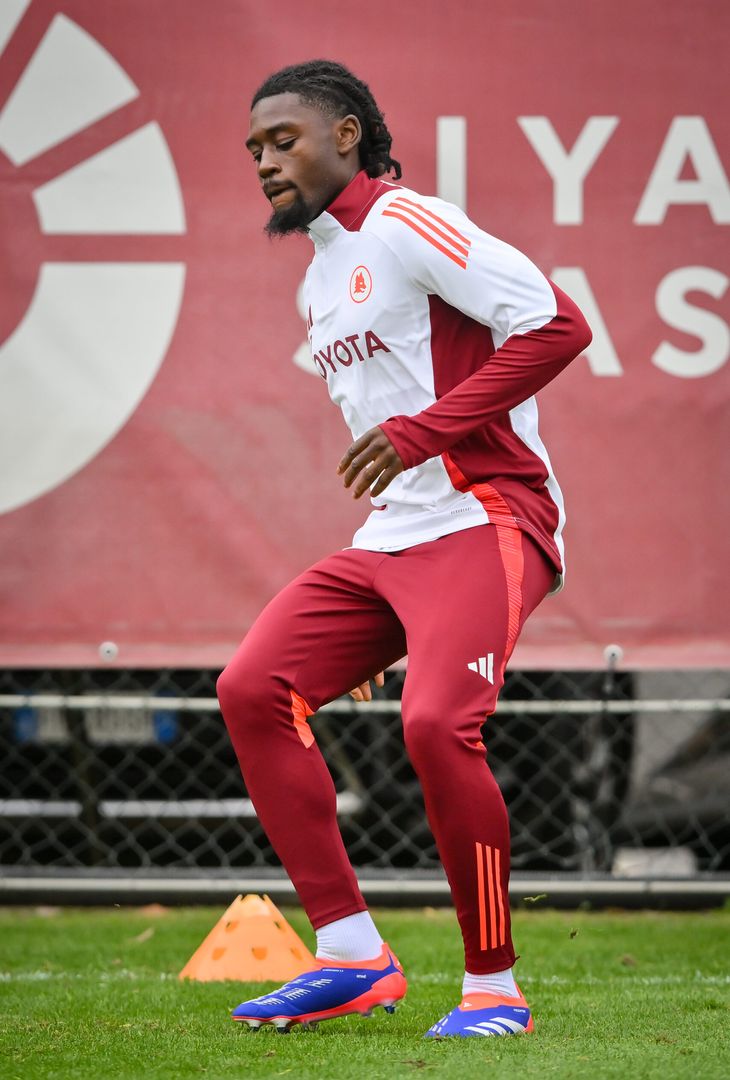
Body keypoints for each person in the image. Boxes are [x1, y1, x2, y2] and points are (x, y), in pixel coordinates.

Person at [217, 59, 591, 1038]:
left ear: (347, 134)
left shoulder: (408, 224)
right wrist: (392, 619)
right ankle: (350, 957)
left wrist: (425, 431)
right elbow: (397, 460)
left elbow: (558, 325)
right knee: (252, 688)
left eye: (282, 138)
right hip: (393, 545)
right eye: (253, 147)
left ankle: (493, 989)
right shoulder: (318, 282)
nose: (263, 159)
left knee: (435, 726)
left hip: (492, 519)